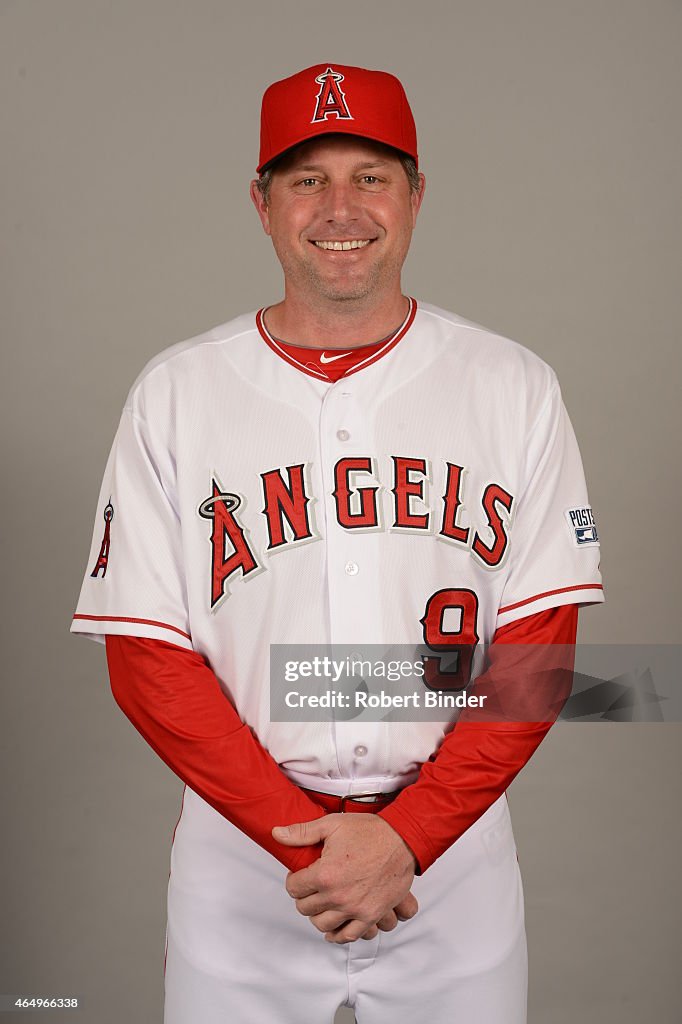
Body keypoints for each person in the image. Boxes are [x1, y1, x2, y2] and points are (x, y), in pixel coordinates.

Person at [71, 63, 604, 1024]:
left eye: (371, 174)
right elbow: (146, 659)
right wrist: (311, 850)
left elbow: (539, 655)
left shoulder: (513, 386)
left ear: (415, 195)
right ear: (263, 204)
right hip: (244, 858)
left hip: (451, 853)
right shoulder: (176, 393)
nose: (340, 206)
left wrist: (409, 836)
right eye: (307, 178)